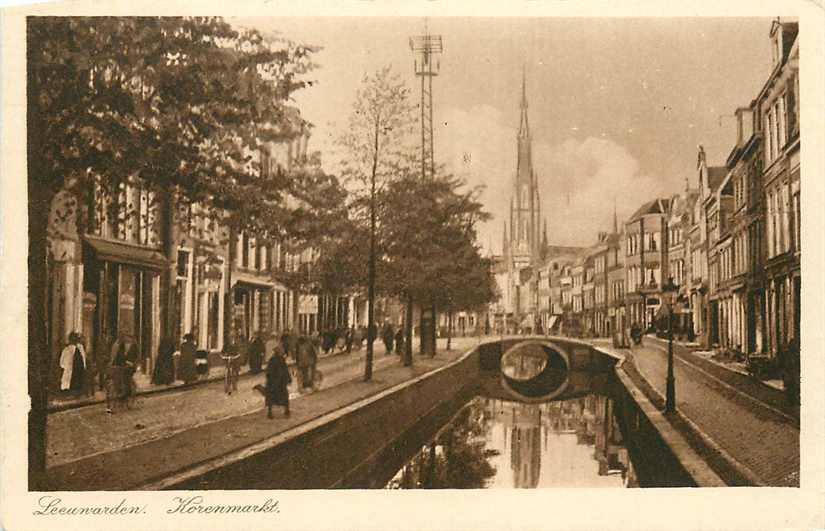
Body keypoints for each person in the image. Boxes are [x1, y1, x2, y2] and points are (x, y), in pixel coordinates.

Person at [256, 347, 291, 419]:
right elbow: (285, 371)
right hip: (280, 383)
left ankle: (270, 412)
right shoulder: (281, 360)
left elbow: (268, 372)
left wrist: (269, 380)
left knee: (271, 398)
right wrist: (288, 379)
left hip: (273, 383)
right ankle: (286, 410)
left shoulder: (272, 360)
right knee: (284, 397)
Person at [107, 333, 138, 413]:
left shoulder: (133, 346)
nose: (126, 340)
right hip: (120, 366)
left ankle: (126, 395)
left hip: (128, 366)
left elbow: (135, 357)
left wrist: (132, 363)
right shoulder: (120, 345)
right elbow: (117, 356)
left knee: (126, 379)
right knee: (117, 379)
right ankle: (120, 394)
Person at [59, 332, 87, 396]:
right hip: (70, 370)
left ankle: (75, 391)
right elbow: (62, 362)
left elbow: (83, 358)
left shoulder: (79, 348)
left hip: (78, 370)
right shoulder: (67, 349)